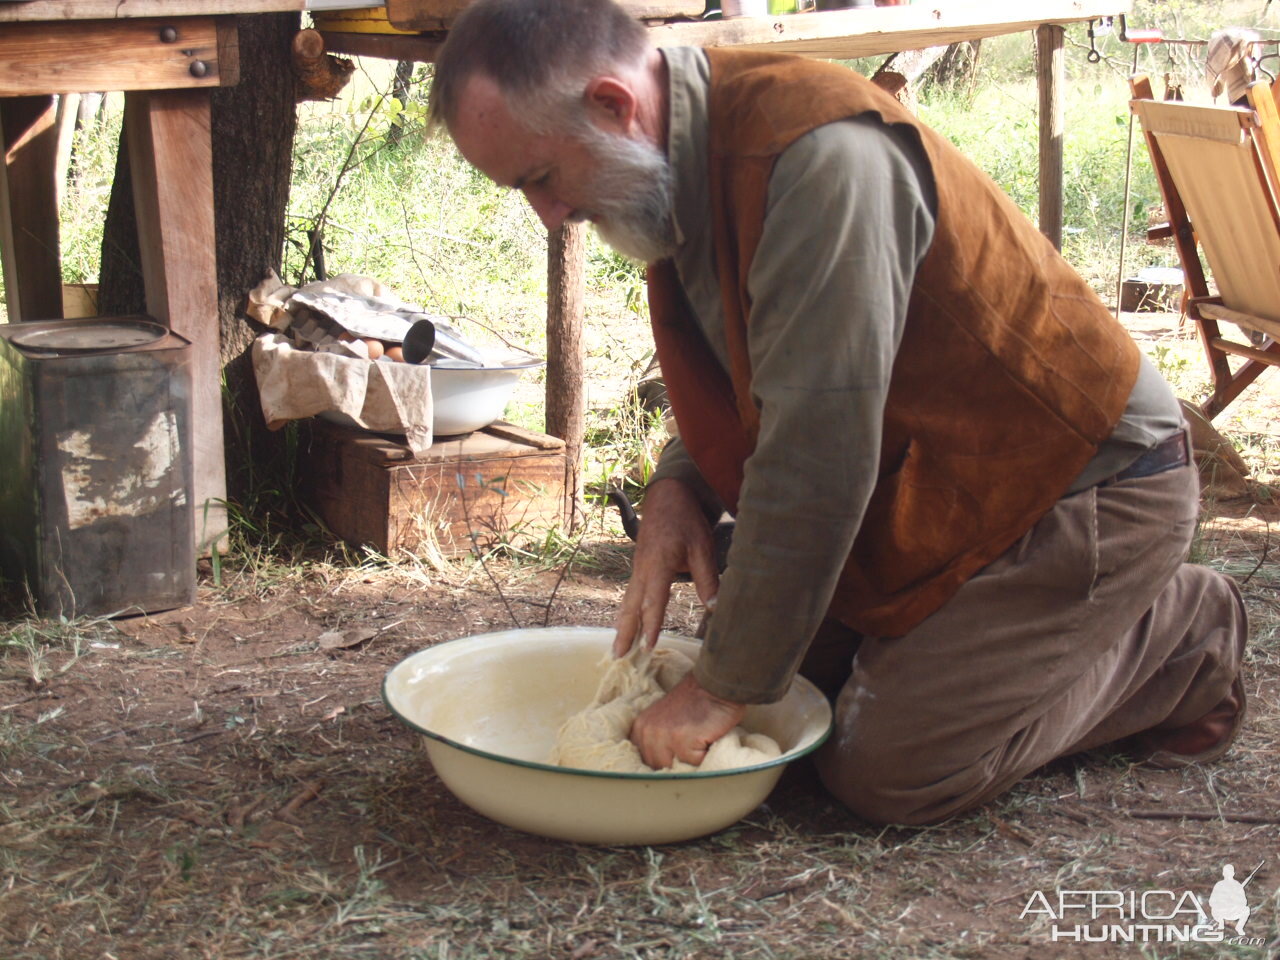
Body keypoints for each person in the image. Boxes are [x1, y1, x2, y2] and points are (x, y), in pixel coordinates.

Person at [429, 0, 1249, 825]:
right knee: (796, 702)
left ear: (613, 105)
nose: (551, 216)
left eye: (539, 178)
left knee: (885, 767)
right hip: (940, 484)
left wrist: (719, 688)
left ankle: (1183, 637)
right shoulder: (680, 153)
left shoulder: (817, 158)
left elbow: (817, 454)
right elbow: (771, 372)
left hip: (1084, 486)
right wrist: (678, 486)